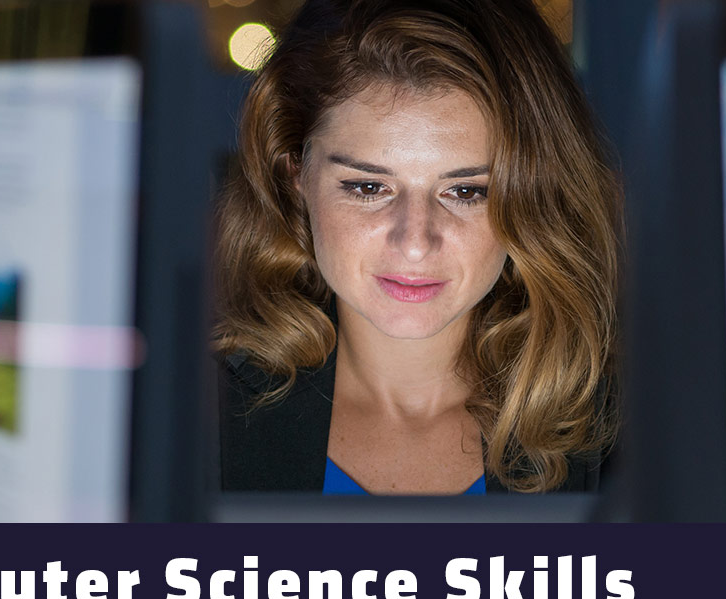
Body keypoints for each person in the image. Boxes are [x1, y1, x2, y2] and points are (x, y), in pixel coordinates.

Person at [213, 0, 620, 494]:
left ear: (532, 194)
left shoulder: (629, 427)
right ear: (294, 170)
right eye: (368, 187)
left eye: (466, 191)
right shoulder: (192, 416)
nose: (414, 244)